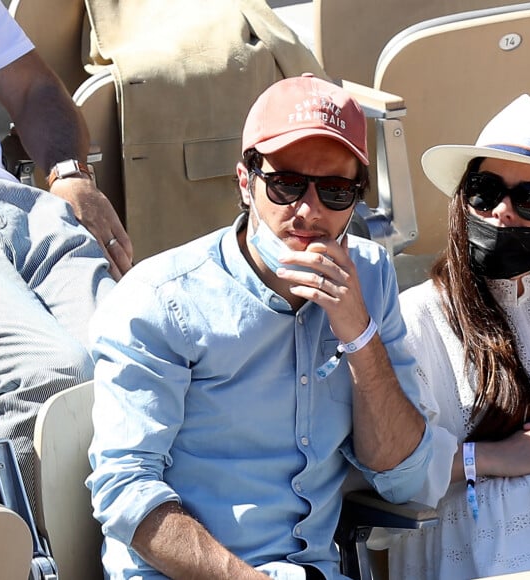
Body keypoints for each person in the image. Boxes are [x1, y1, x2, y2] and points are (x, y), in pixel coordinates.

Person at [87, 73, 432, 579]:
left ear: (356, 201)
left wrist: (358, 334)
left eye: (335, 190)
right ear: (246, 183)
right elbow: (125, 491)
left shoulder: (371, 276)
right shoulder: (160, 300)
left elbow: (403, 477)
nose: (308, 210)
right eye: (287, 184)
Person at [0, 0, 121, 509]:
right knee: (52, 375)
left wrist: (71, 173)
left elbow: (35, 89)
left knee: (135, 359)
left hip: (17, 206)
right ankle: (14, 555)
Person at [388, 94, 530, 579]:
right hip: (477, 546)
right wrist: (498, 456)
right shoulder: (417, 317)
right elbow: (387, 470)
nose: (502, 211)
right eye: (484, 190)